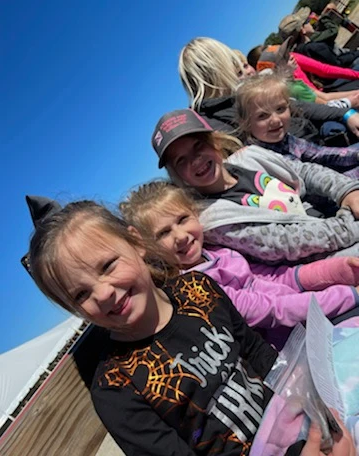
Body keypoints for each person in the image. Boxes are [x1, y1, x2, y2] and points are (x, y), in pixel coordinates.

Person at [25, 195, 319, 455]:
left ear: (137, 243)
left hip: (304, 426)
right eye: (81, 294)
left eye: (107, 266)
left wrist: (317, 413)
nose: (103, 294)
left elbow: (260, 356)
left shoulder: (199, 289)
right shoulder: (116, 388)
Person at [120, 180, 359, 348]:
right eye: (163, 233)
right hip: (294, 345)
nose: (180, 235)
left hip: (312, 317)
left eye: (183, 220)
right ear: (148, 246)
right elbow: (271, 310)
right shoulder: (194, 288)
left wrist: (341, 270)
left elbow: (275, 278)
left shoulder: (216, 252)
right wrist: (349, 295)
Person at [151, 108, 359, 264]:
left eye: (198, 146)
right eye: (181, 160)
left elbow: (304, 171)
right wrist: (350, 221)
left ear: (214, 142)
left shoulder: (250, 155)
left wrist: (347, 192)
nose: (195, 160)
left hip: (337, 218)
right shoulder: (213, 219)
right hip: (322, 258)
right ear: (177, 174)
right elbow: (284, 243)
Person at [178, 36, 359, 142]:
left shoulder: (209, 117)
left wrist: (346, 113)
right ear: (221, 67)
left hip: (316, 141)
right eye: (235, 66)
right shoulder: (219, 122)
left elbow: (298, 106)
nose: (245, 71)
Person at [235, 72, 359, 179]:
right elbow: (312, 183)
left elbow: (319, 153)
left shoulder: (286, 140)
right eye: (262, 115)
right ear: (245, 123)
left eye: (280, 109)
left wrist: (355, 155)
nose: (275, 120)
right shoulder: (259, 157)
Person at [278, 6, 359, 69]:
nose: (310, 22)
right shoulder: (315, 48)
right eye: (307, 21)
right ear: (302, 30)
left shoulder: (299, 53)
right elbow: (338, 63)